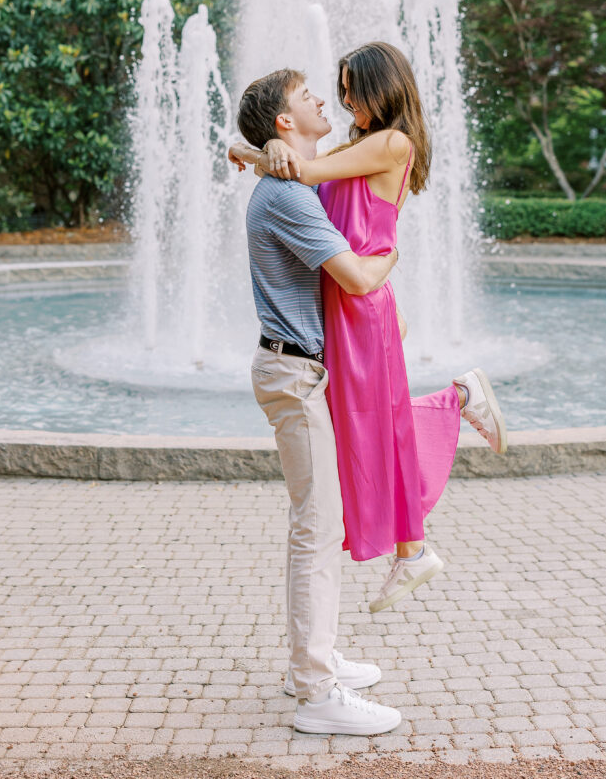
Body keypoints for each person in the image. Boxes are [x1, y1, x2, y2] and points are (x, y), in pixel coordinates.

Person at [230, 41, 507, 618]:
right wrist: (252, 146)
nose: (344, 97)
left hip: (360, 304)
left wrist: (257, 150)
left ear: (383, 86)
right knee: (373, 426)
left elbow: (301, 170)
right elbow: (300, 174)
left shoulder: (392, 142)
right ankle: (413, 540)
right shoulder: (360, 145)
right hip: (352, 305)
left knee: (375, 429)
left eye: (353, 86)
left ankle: (414, 540)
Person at [233, 68, 403, 736]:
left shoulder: (284, 178)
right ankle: (315, 691)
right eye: (307, 99)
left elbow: (281, 165)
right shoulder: (288, 198)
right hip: (294, 375)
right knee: (315, 531)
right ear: (284, 123)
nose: (322, 103)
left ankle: (316, 658)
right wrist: (391, 247)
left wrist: (256, 152)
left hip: (299, 372)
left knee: (317, 528)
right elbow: (359, 276)